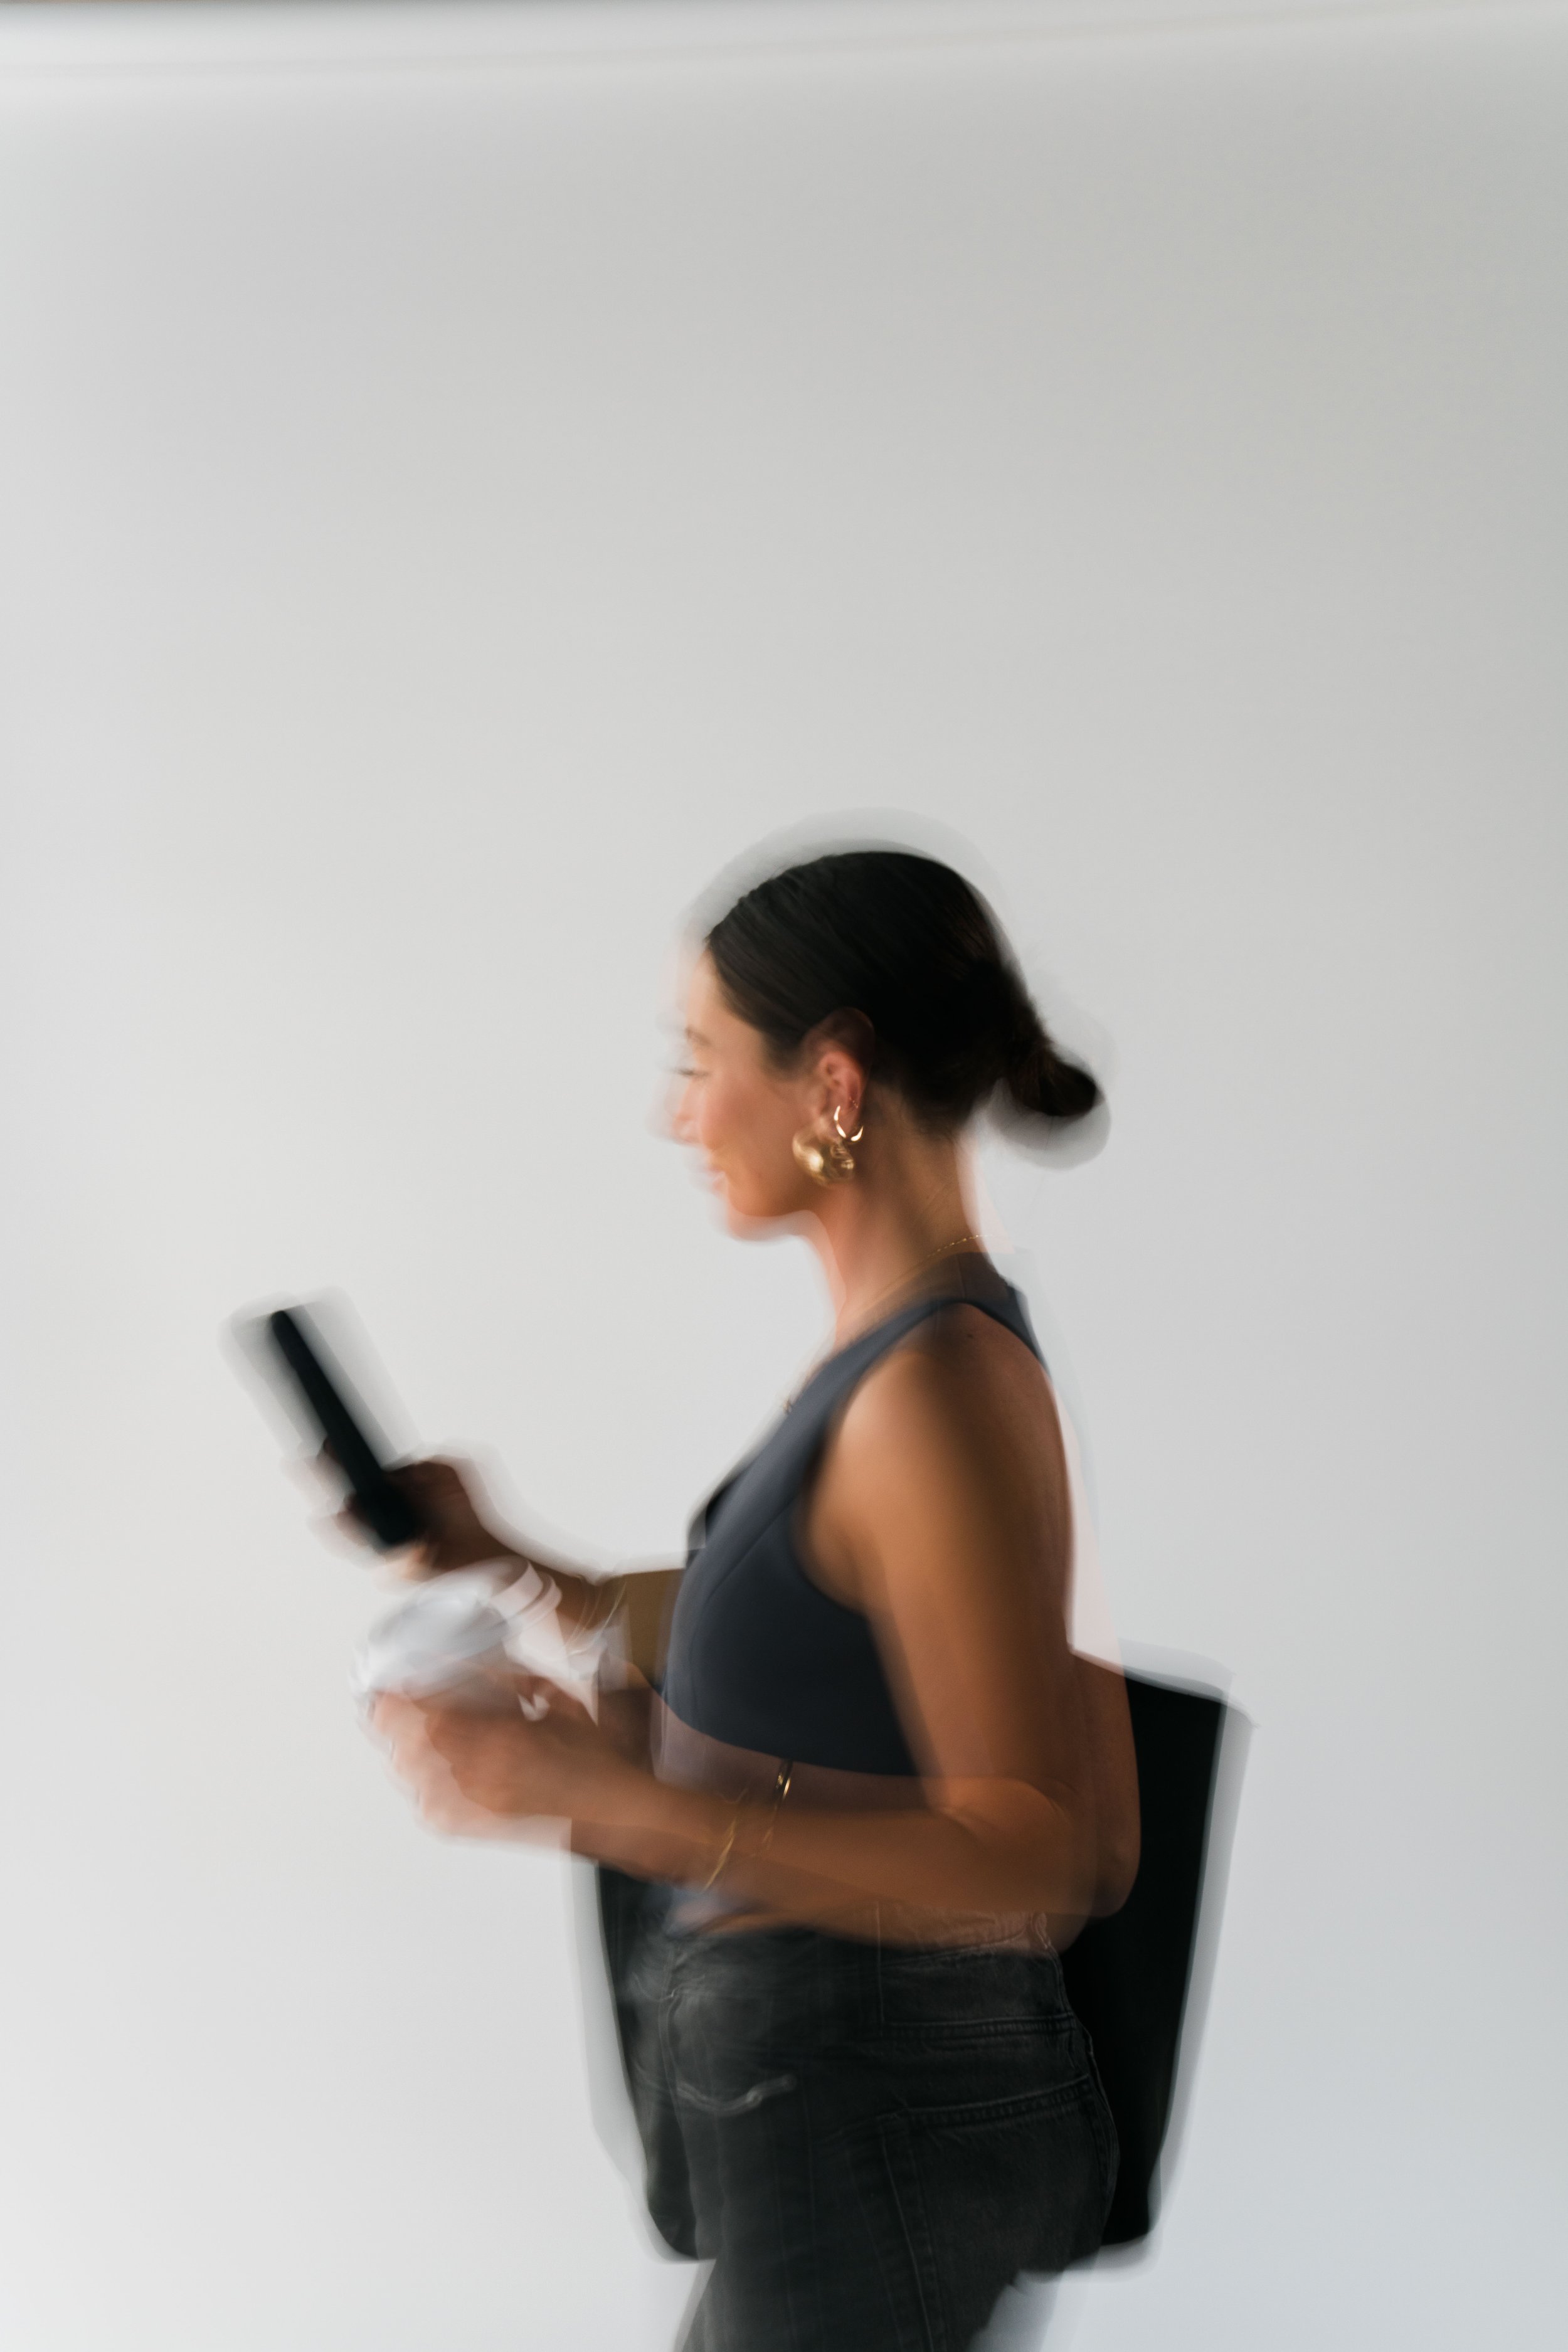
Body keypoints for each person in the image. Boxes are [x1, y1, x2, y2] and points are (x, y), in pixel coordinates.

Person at [359, 847, 1140, 2351]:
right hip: (839, 2125)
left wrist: (613, 1803)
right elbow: (826, 1652)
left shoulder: (932, 1390)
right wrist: (514, 1564)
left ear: (829, 1082)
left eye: (698, 1060)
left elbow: (1039, 1853)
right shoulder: (903, 1370)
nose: (675, 1111)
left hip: (872, 2123)